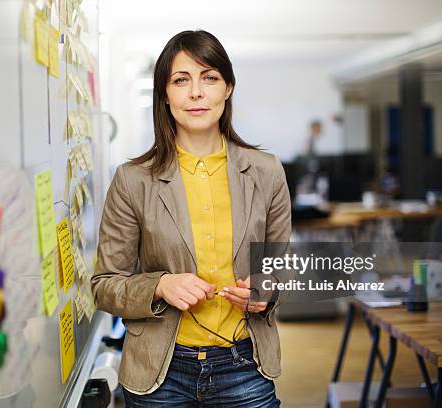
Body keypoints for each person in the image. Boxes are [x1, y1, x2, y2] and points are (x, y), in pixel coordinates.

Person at [91, 30, 291, 407]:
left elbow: (281, 269)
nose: (196, 93)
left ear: (227, 88)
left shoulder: (266, 172)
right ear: (164, 94)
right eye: (181, 80)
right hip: (159, 373)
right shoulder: (134, 180)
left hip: (244, 366)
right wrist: (160, 285)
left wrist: (266, 291)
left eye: (209, 78)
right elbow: (104, 285)